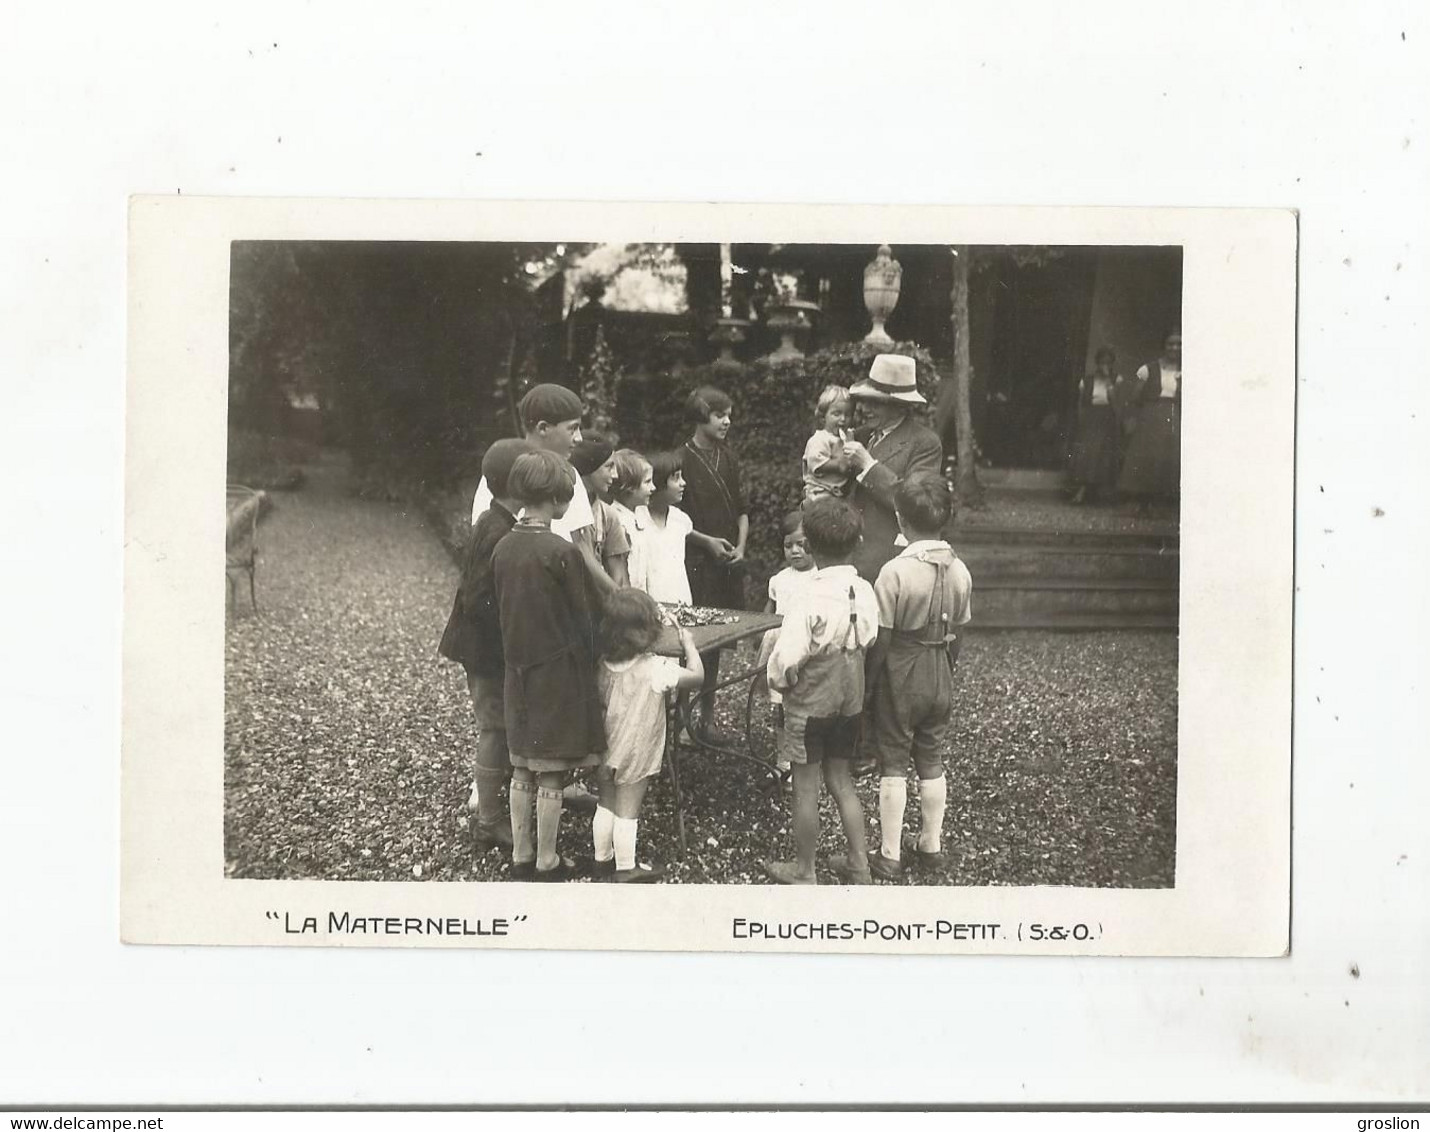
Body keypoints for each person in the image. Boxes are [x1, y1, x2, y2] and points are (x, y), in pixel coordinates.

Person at [491, 450, 605, 881]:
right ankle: (547, 859)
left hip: (516, 668)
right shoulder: (560, 552)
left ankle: (521, 855)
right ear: (558, 499)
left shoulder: (504, 547)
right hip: (557, 673)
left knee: (522, 763)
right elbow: (585, 619)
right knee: (552, 769)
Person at [763, 498, 880, 886]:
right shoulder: (864, 590)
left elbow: (786, 658)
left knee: (805, 786)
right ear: (858, 540)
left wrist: (779, 683)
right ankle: (859, 864)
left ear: (809, 543)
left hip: (810, 705)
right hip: (849, 701)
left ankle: (805, 870)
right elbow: (871, 636)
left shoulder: (807, 596)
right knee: (842, 780)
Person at [864, 474, 973, 881]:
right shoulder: (960, 570)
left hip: (902, 666)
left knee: (893, 757)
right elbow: (959, 632)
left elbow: (882, 637)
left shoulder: (894, 572)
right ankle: (931, 844)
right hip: (939, 663)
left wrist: (872, 684)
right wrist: (946, 669)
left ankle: (889, 853)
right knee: (931, 755)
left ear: (899, 519)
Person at [437, 439, 533, 853]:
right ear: (516, 482)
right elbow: (478, 598)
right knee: (493, 728)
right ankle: (488, 820)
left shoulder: (499, 520)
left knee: (500, 725)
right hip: (484, 649)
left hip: (486, 646)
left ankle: (497, 809)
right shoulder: (498, 529)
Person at [592, 589, 705, 883]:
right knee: (628, 810)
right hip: (636, 752)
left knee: (605, 803)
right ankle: (626, 867)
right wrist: (689, 646)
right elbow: (697, 677)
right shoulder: (656, 667)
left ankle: (601, 860)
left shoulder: (601, 665)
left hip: (603, 747)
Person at [680, 386, 749, 745]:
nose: (727, 421)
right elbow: (673, 519)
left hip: (725, 564)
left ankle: (706, 720)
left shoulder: (730, 458)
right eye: (720, 414)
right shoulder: (682, 460)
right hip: (694, 562)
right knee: (689, 641)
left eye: (729, 414)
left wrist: (740, 546)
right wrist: (706, 542)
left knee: (717, 643)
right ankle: (680, 722)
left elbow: (742, 510)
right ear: (700, 416)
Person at [840, 355, 945, 583]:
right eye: (864, 401)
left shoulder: (924, 443)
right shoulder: (861, 435)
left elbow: (917, 502)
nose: (864, 409)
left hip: (885, 566)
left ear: (900, 408)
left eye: (875, 402)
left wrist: (868, 465)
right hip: (845, 559)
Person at [757, 510, 818, 774]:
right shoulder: (779, 579)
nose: (795, 551)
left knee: (804, 709)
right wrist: (761, 637)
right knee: (780, 707)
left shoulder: (820, 578)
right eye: (788, 545)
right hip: (780, 649)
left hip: (806, 650)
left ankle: (806, 762)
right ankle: (783, 761)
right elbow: (768, 612)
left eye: (802, 544)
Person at [1116, 331, 1182, 504]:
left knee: (1170, 456)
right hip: (1151, 416)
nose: (1174, 348)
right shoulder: (1147, 369)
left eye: (1179, 344)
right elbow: (1135, 396)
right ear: (1164, 346)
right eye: (1170, 344)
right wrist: (1133, 419)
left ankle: (1162, 502)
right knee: (1148, 456)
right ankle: (1143, 502)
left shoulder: (1187, 371)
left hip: (1175, 416)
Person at [571, 433, 630, 588]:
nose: (615, 475)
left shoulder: (607, 516)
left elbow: (619, 576)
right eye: (609, 466)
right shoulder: (561, 513)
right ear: (587, 469)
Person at [1069, 347, 1125, 504]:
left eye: (1108, 362)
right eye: (1102, 362)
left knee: (1102, 455)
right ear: (1097, 363)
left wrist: (1108, 380)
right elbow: (1081, 404)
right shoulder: (1086, 381)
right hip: (1090, 418)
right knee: (1087, 454)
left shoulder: (1116, 379)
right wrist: (1082, 421)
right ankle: (1082, 490)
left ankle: (1095, 493)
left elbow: (1115, 402)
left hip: (1107, 418)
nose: (1104, 365)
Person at [638, 449, 693, 606]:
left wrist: (709, 542)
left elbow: (689, 532)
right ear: (658, 483)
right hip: (651, 605)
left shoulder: (680, 519)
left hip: (682, 602)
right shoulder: (638, 516)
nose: (683, 483)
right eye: (676, 478)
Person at [609, 448, 655, 595]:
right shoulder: (617, 520)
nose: (653, 487)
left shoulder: (639, 514)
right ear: (628, 486)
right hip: (628, 600)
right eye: (647, 482)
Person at [802, 384, 854, 501]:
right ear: (823, 417)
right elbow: (815, 463)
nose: (843, 419)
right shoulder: (820, 439)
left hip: (839, 493)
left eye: (848, 415)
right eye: (837, 414)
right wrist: (838, 465)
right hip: (820, 492)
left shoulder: (848, 435)